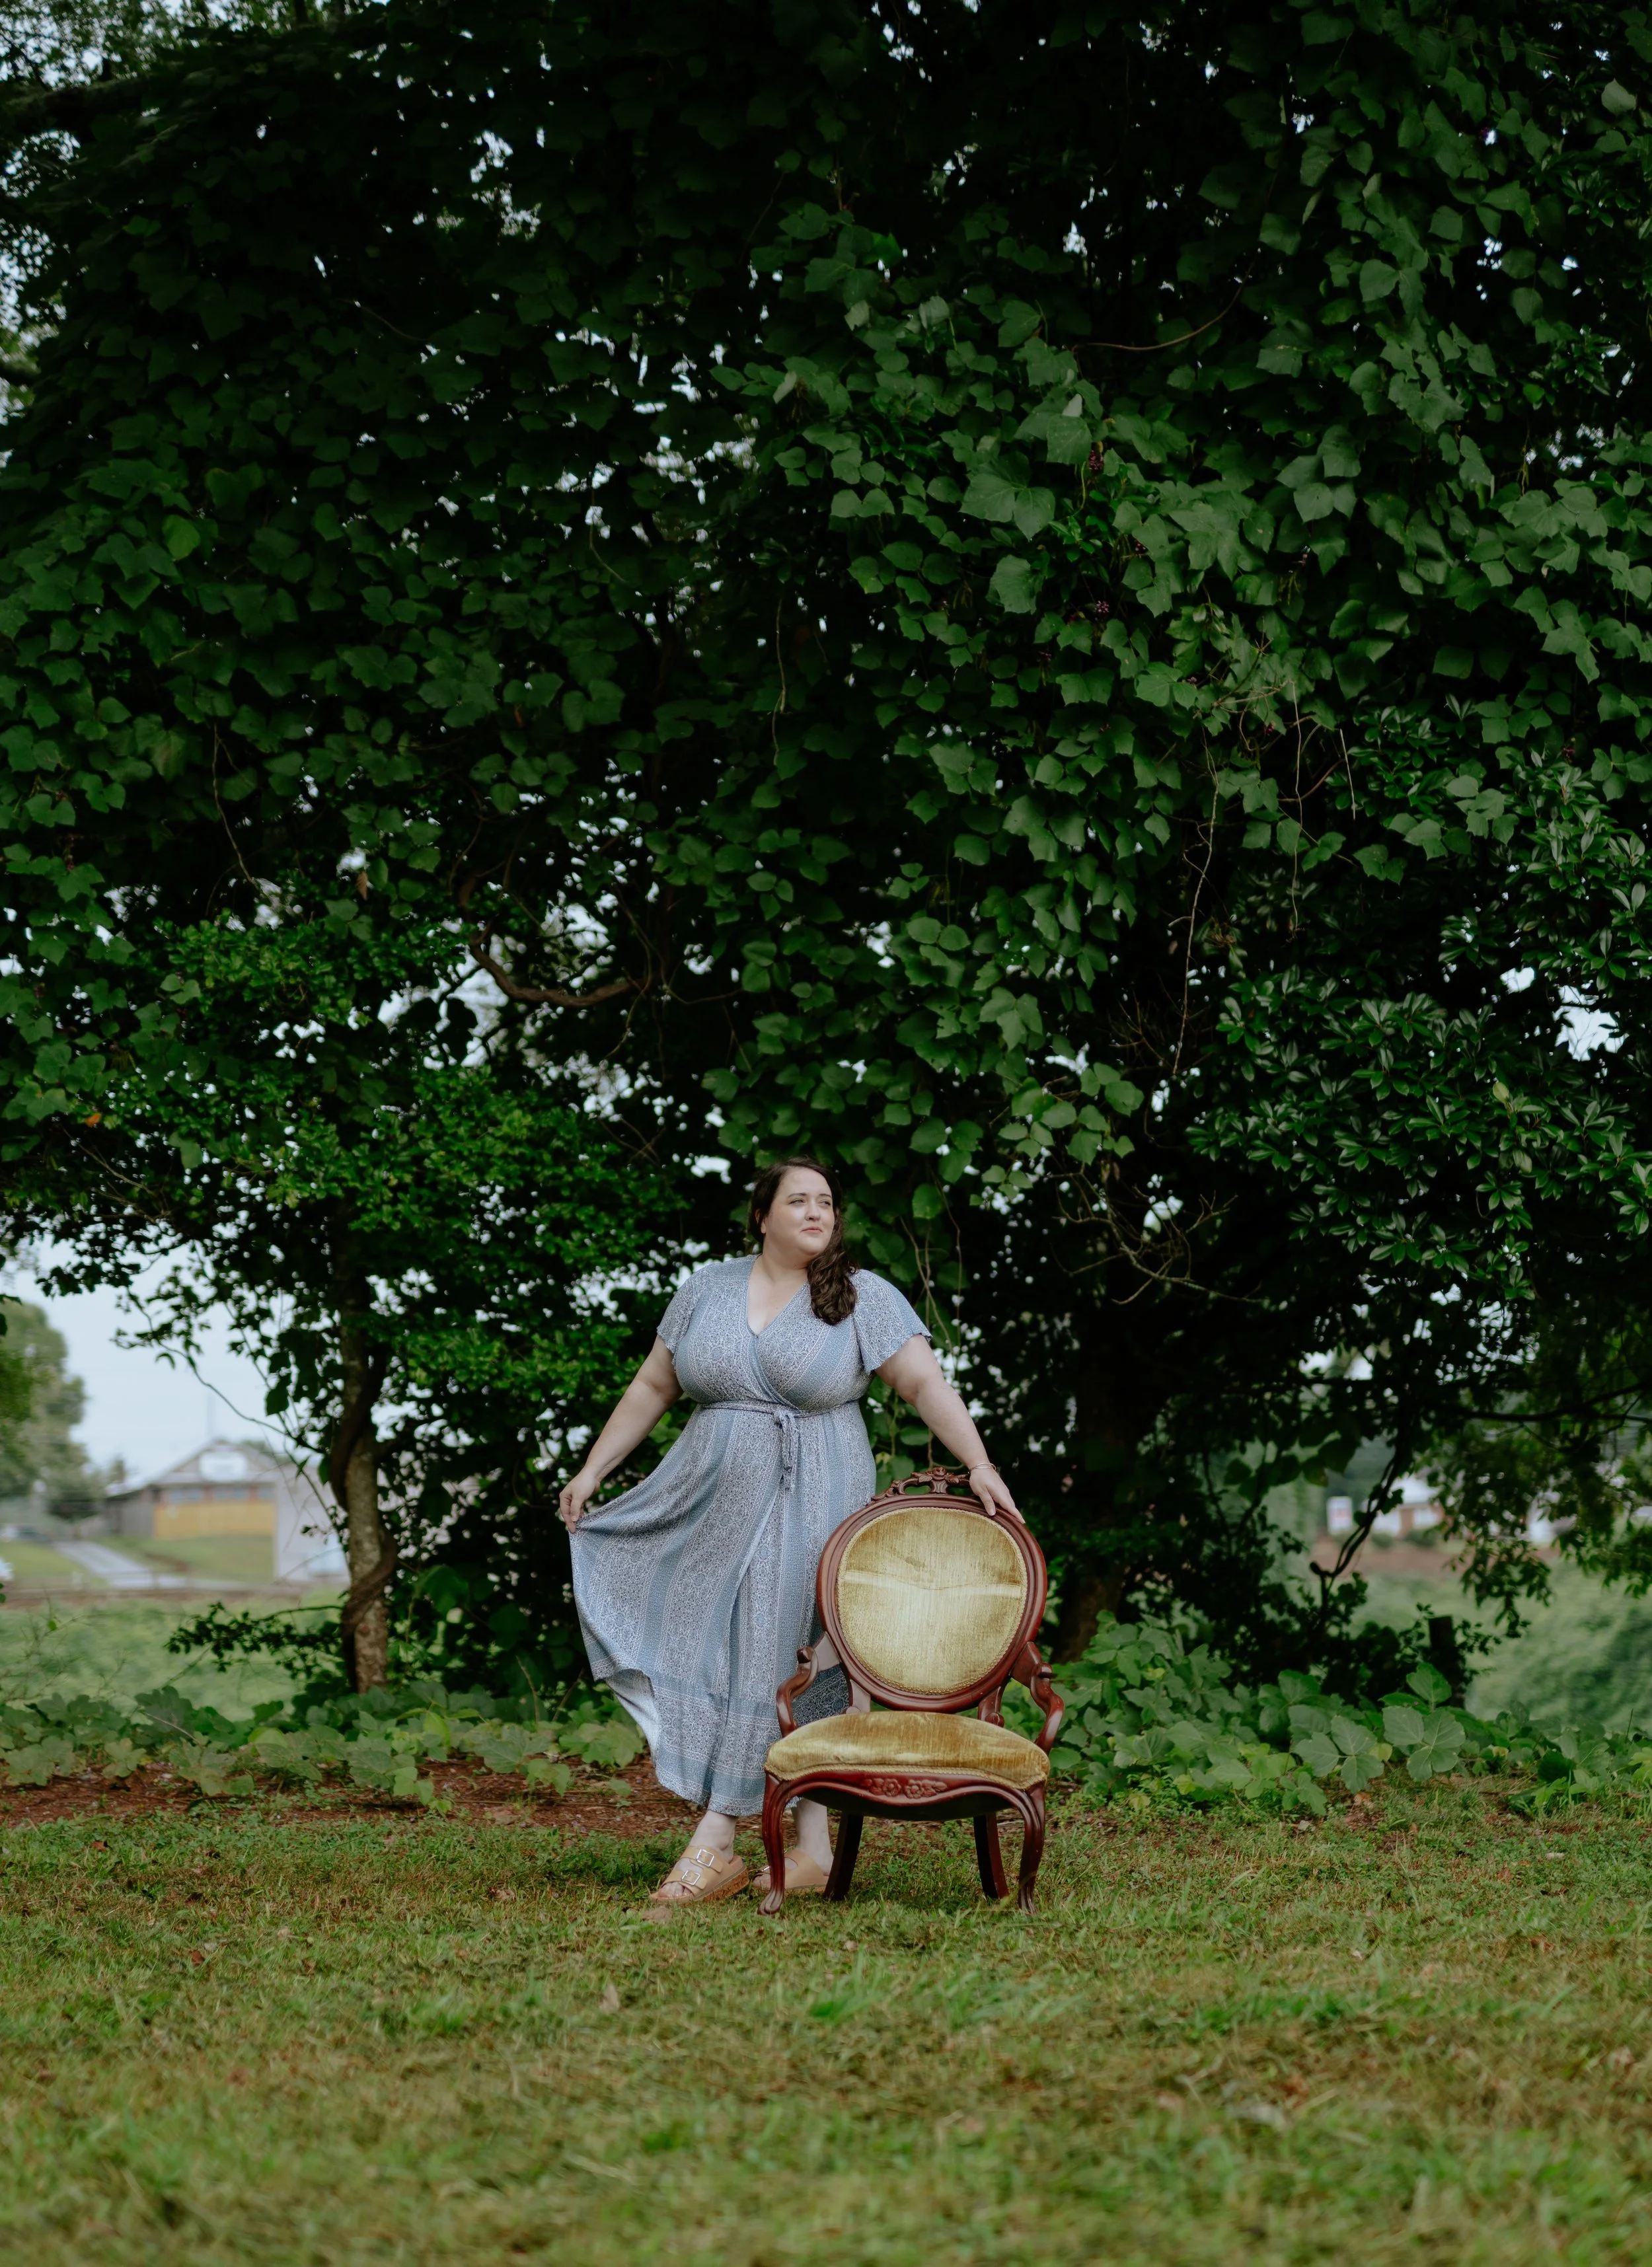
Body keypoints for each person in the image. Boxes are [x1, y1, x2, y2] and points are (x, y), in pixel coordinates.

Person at [559, 1156, 1020, 1910]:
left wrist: (978, 1463)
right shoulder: (706, 1287)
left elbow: (925, 1383)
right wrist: (591, 1472)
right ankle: (811, 1846)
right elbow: (652, 1385)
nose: (815, 1212)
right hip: (705, 1496)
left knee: (787, 1646)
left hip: (816, 1490)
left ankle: (716, 1838)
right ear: (762, 1214)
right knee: (714, 1643)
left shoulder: (862, 1296)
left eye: (826, 1202)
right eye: (798, 1200)